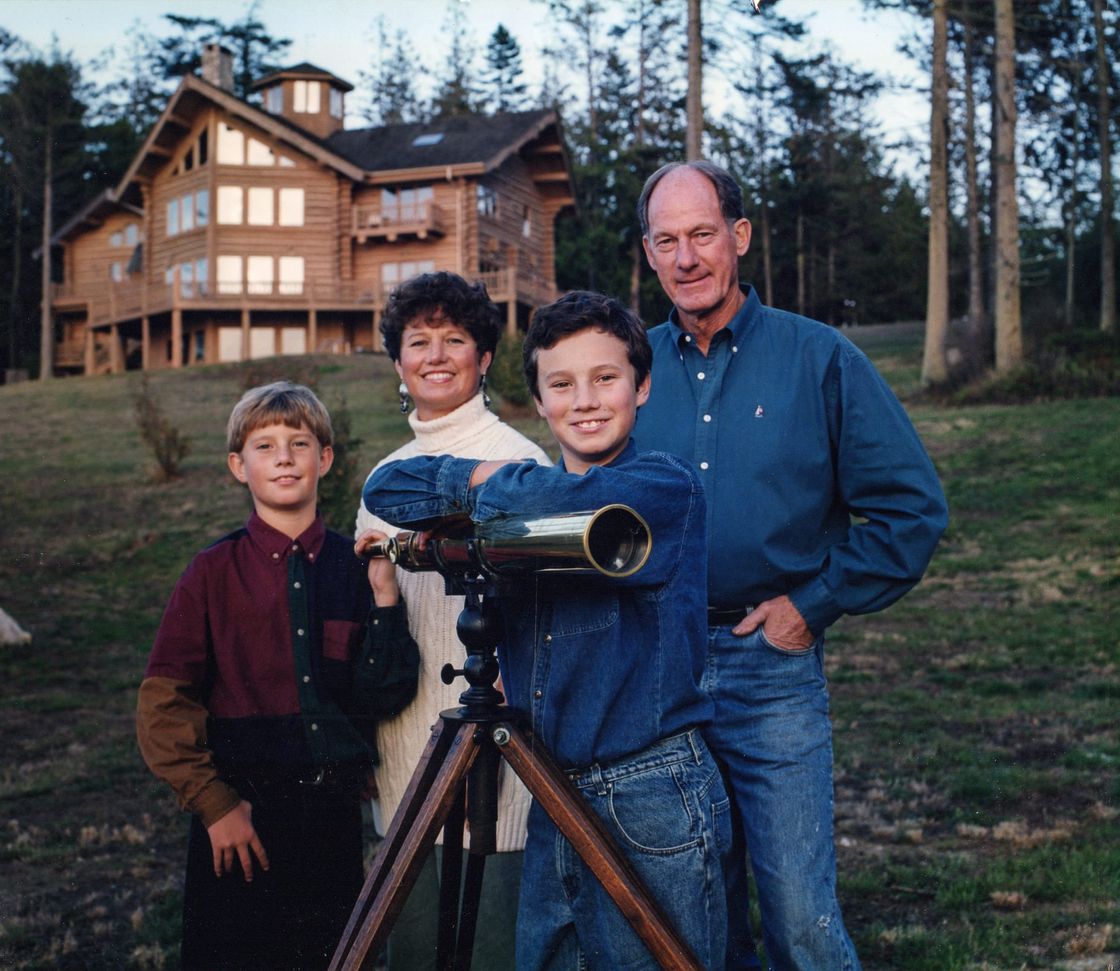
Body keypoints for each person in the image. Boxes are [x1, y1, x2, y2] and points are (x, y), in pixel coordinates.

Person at [633, 160, 949, 969]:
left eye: (703, 234)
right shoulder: (629, 371)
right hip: (656, 672)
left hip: (768, 668)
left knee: (801, 920)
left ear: (739, 237)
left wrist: (815, 601)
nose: (687, 257)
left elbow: (913, 510)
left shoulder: (820, 359)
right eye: (667, 240)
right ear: (647, 253)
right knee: (691, 921)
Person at [364, 290, 731, 970]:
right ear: (536, 401)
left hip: (648, 788)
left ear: (642, 386)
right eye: (561, 384)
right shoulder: (523, 492)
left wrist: (485, 487)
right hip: (550, 784)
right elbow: (388, 487)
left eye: (606, 379)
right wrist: (506, 482)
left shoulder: (665, 486)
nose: (585, 400)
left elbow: (595, 506)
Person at [136, 381, 420, 970]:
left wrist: (387, 600)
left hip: (328, 822)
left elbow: (385, 692)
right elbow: (165, 705)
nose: (285, 457)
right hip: (240, 815)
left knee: (328, 955)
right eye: (265, 446)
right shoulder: (211, 573)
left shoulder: (356, 568)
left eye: (299, 442)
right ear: (239, 466)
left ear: (326, 458)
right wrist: (215, 806)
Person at [356, 271, 551, 971]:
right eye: (419, 340)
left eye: (455, 339)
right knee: (413, 942)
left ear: (485, 358)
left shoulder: (521, 462)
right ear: (398, 360)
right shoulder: (384, 477)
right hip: (406, 739)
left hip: (495, 747)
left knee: (489, 939)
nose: (436, 354)